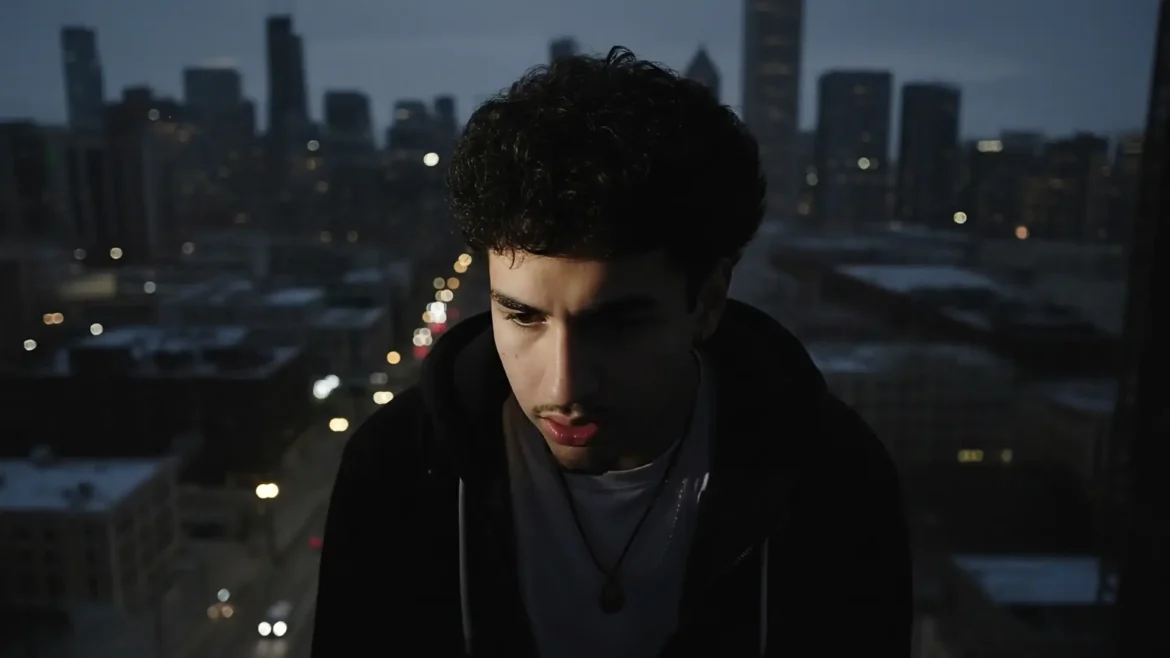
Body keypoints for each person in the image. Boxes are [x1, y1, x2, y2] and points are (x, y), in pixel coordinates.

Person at [312, 47, 910, 657]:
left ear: (706, 301)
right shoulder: (398, 473)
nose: (563, 386)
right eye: (522, 316)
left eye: (616, 326)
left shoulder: (833, 482)